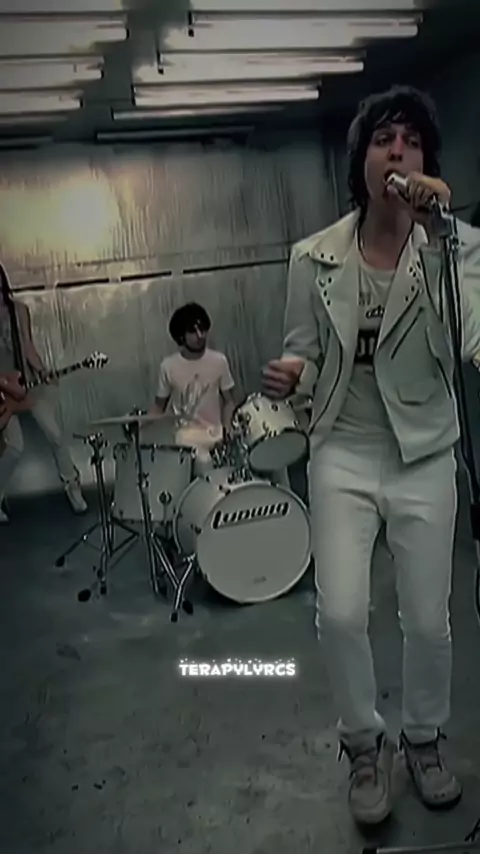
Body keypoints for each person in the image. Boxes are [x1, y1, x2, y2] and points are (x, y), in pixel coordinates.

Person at [262, 85, 480, 826]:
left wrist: (441, 238)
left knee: (428, 618)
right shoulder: (313, 257)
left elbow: (471, 339)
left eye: (412, 141)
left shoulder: (458, 247)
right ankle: (362, 743)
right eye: (384, 140)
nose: (398, 152)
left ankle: (423, 737)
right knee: (342, 613)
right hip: (343, 450)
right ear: (362, 162)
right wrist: (292, 375)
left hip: (425, 452)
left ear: (428, 163)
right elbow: (302, 352)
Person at [0, 282, 87, 523]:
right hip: (3, 392)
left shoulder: (19, 310)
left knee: (55, 434)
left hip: (27, 384)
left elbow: (28, 346)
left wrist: (41, 370)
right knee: (14, 448)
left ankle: (72, 486)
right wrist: (6, 385)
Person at [152, 303, 236, 468]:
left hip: (216, 435)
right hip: (186, 439)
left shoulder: (219, 361)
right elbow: (158, 407)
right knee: (202, 463)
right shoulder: (168, 366)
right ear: (181, 336)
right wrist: (137, 424)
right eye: (192, 331)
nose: (200, 335)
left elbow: (230, 401)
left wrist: (227, 429)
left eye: (203, 329)